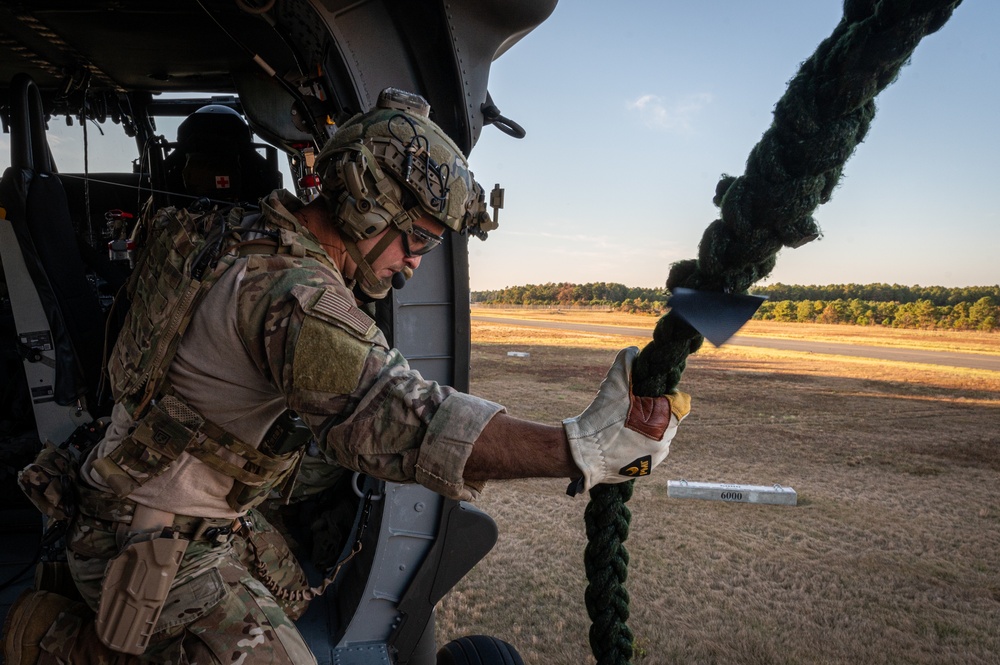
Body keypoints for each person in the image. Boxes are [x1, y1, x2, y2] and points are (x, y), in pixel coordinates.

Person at [5, 88, 690, 664]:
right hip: (150, 540)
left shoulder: (242, 235)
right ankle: (54, 638)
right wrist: (580, 447)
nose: (415, 263)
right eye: (416, 237)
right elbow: (402, 418)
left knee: (298, 576)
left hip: (128, 485)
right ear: (368, 203)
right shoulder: (296, 294)